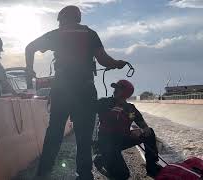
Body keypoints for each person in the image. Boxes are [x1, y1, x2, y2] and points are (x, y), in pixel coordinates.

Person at [25, 5, 129, 180]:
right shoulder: (90, 34)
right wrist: (118, 63)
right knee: (84, 136)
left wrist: (30, 69)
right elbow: (104, 60)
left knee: (54, 133)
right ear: (78, 18)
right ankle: (84, 175)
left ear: (61, 19)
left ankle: (42, 174)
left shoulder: (55, 34)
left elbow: (30, 47)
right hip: (85, 90)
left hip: (61, 89)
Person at [93, 80, 162, 179]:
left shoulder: (131, 109)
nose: (115, 90)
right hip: (107, 142)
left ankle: (152, 167)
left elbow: (145, 127)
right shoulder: (104, 102)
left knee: (150, 133)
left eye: (118, 88)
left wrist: (141, 131)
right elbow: (90, 108)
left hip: (122, 139)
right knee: (123, 175)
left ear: (126, 93)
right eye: (115, 88)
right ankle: (101, 158)